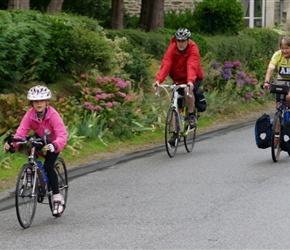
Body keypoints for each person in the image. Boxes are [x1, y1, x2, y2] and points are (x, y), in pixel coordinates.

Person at [4, 85, 68, 216]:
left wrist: (55, 145)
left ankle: (57, 198)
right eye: (35, 101)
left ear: (47, 102)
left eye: (41, 101)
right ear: (31, 103)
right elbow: (21, 132)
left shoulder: (53, 115)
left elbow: (62, 134)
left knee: (49, 166)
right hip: (40, 138)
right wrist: (12, 145)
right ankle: (31, 173)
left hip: (54, 141)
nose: (38, 104)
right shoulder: (29, 115)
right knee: (31, 152)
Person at [152, 28, 204, 145]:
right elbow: (166, 63)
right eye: (178, 41)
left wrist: (190, 81)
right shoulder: (172, 48)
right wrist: (158, 80)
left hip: (194, 77)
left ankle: (191, 115)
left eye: (183, 41)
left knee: (187, 90)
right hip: (177, 78)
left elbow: (192, 65)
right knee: (175, 104)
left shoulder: (193, 48)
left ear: (188, 41)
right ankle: (175, 134)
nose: (180, 43)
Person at [264, 36, 290, 146]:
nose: (284, 50)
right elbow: (270, 69)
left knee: (288, 97)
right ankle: (276, 136)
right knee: (279, 107)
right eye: (282, 48)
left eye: (287, 48)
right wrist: (266, 81)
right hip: (281, 82)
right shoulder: (277, 55)